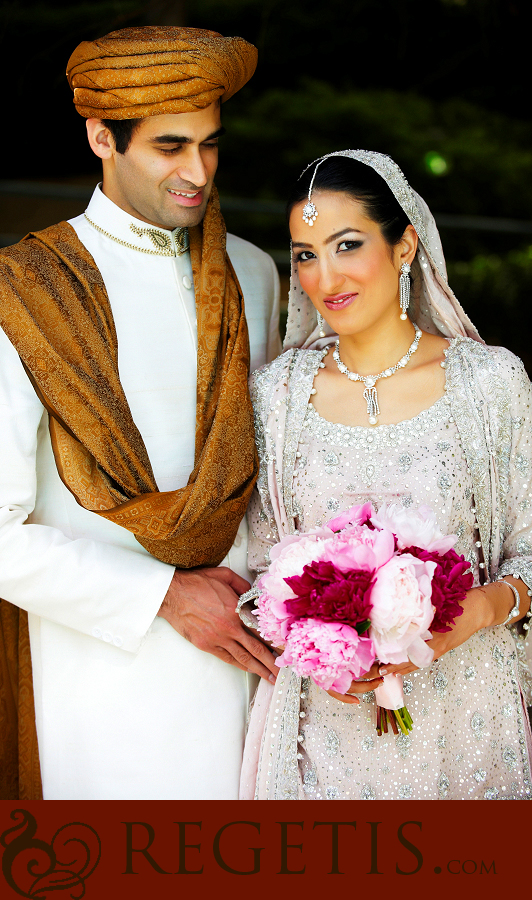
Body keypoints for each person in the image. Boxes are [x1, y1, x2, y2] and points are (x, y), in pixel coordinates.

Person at [0, 26, 281, 801]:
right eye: (169, 147)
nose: (198, 173)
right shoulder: (24, 290)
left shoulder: (254, 272)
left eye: (211, 145)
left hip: (265, 672)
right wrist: (161, 595)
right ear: (101, 138)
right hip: (104, 682)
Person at [239, 150, 532, 800]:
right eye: (306, 253)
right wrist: (314, 638)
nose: (325, 275)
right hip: (322, 735)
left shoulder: (489, 384)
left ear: (405, 246)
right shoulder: (277, 396)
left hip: (468, 727)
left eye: (347, 245)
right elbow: (260, 570)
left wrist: (480, 607)